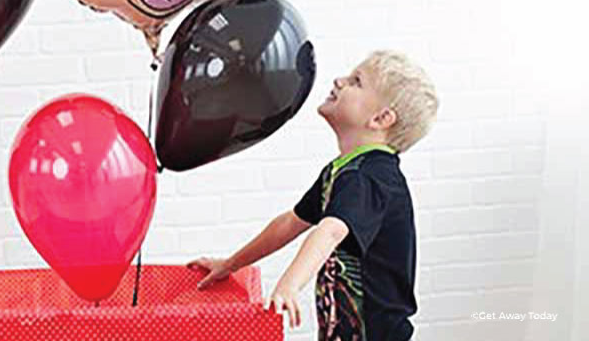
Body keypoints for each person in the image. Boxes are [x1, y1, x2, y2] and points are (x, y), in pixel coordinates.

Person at [188, 50, 438, 340]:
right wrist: (230, 264)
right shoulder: (341, 171)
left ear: (381, 118)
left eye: (356, 81)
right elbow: (289, 223)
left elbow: (330, 231)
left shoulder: (370, 176)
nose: (339, 81)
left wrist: (291, 284)